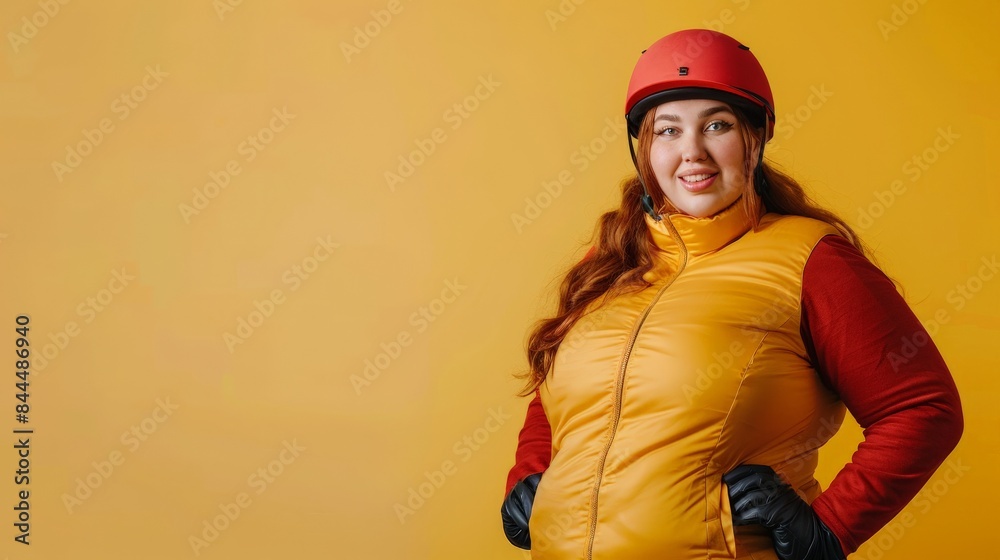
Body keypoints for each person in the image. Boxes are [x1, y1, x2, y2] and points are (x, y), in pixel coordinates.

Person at [499, 29, 964, 560]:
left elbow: (923, 407)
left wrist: (829, 529)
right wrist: (529, 473)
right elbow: (558, 392)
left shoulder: (813, 260)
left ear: (755, 137)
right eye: (668, 130)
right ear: (644, 148)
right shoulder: (610, 260)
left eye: (715, 125)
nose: (691, 152)